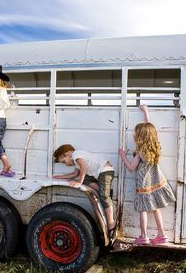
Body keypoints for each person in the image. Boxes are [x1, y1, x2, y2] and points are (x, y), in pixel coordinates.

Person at [118, 105, 176, 245]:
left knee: (143, 210)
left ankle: (144, 236)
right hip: (157, 182)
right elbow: (149, 127)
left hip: (144, 184)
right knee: (155, 208)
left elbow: (132, 168)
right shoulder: (155, 147)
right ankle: (161, 235)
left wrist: (123, 156)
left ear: (140, 137)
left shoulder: (140, 152)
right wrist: (146, 112)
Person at [53, 144, 117, 238]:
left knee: (103, 196)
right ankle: (103, 191)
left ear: (67, 154)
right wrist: (61, 177)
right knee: (85, 179)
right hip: (100, 173)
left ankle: (111, 223)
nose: (66, 164)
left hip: (105, 170)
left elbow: (84, 167)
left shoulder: (76, 155)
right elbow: (75, 174)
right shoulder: (77, 161)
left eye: (64, 161)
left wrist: (79, 182)